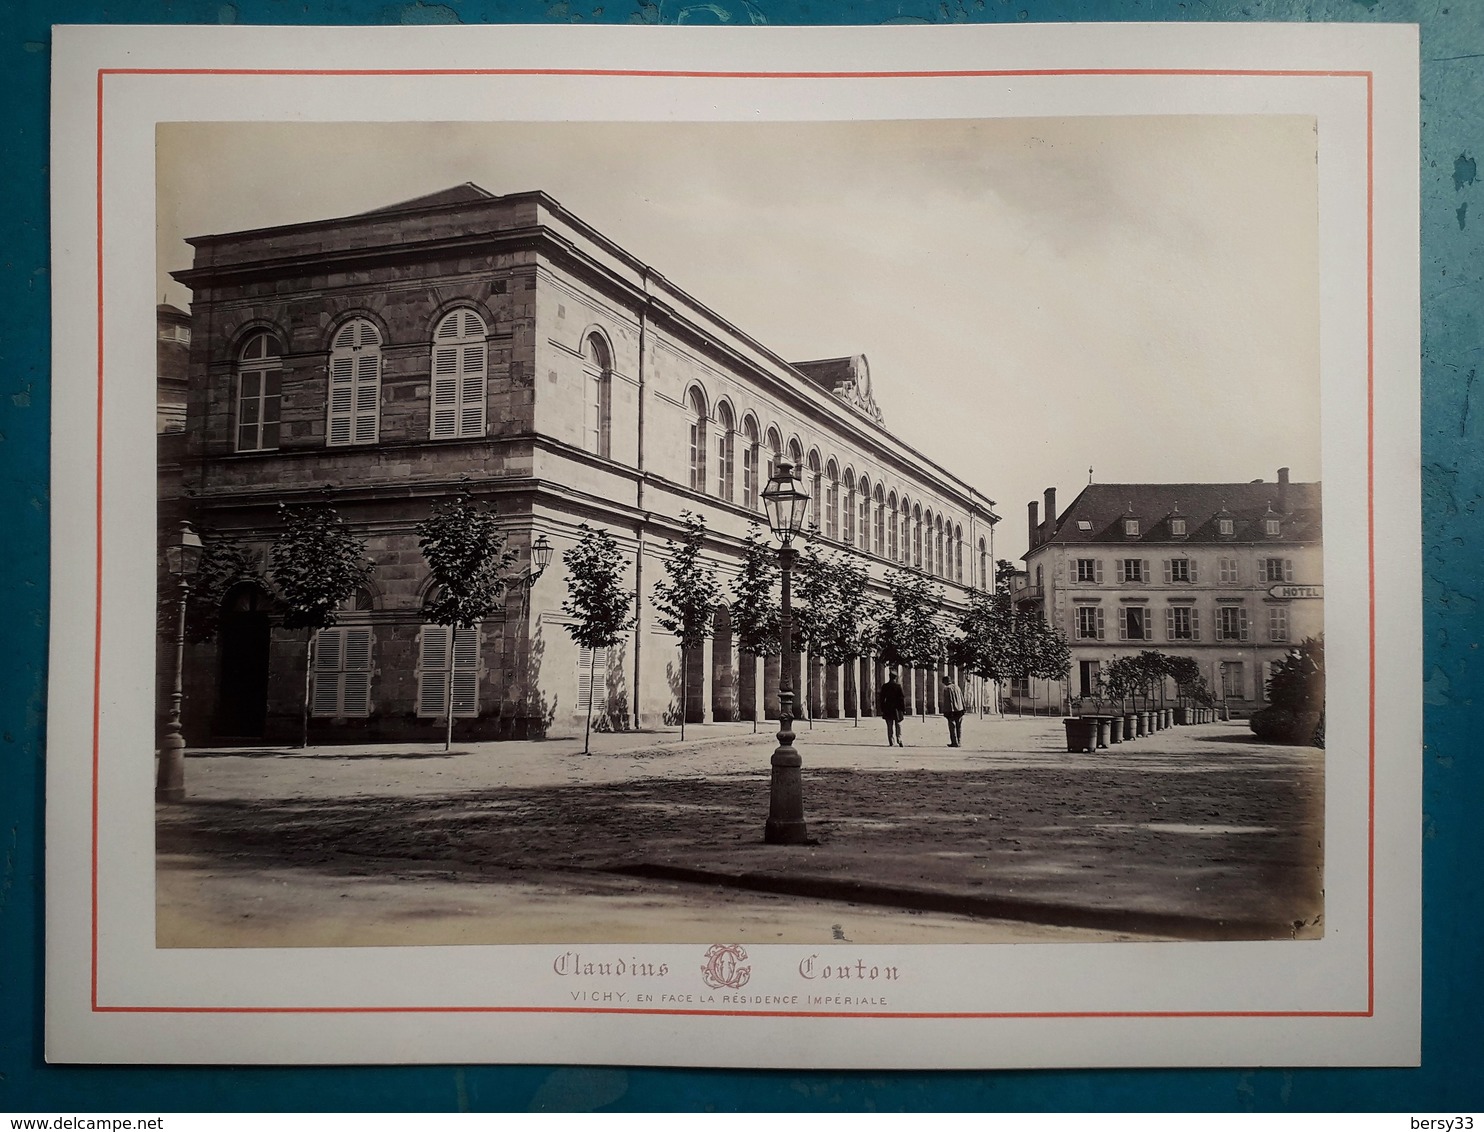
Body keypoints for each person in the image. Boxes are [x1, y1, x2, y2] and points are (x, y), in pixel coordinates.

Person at [877, 670, 906, 746]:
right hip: (897, 709)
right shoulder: (898, 687)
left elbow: (882, 699)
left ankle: (891, 740)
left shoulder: (885, 686)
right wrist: (903, 709)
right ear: (895, 678)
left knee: (889, 725)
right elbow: (901, 699)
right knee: (898, 724)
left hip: (888, 708)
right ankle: (899, 739)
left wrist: (882, 709)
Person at [941, 673, 966, 747]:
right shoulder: (957, 687)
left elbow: (948, 701)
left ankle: (954, 742)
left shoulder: (947, 689)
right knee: (959, 726)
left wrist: (946, 711)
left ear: (945, 681)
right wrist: (963, 708)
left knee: (952, 727)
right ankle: (959, 741)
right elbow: (962, 698)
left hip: (951, 710)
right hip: (960, 709)